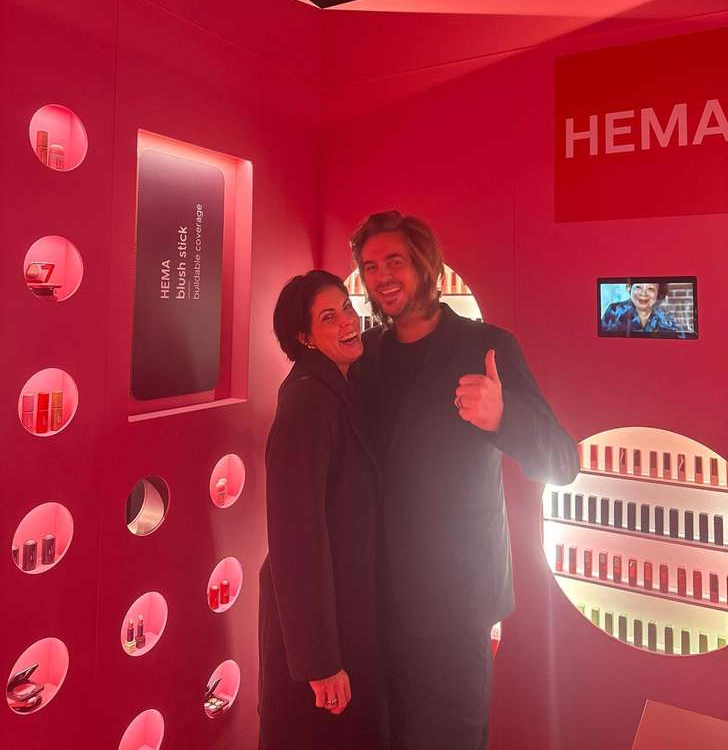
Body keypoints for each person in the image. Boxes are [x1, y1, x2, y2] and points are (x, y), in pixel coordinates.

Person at [350, 211, 580, 750]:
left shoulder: (487, 346)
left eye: (394, 262)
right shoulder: (365, 354)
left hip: (456, 603)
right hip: (377, 597)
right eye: (370, 267)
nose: (382, 277)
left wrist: (503, 418)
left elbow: (562, 461)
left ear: (425, 266)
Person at [258, 271, 386, 750]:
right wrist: (319, 662)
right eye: (329, 317)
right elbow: (296, 537)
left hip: (343, 611)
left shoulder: (340, 385)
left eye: (347, 307)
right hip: (318, 629)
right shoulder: (307, 404)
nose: (348, 321)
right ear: (304, 337)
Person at [601, 281, 680, 337]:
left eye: (650, 289)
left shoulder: (666, 317)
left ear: (658, 292)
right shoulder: (614, 311)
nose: (643, 293)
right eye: (638, 287)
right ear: (629, 288)